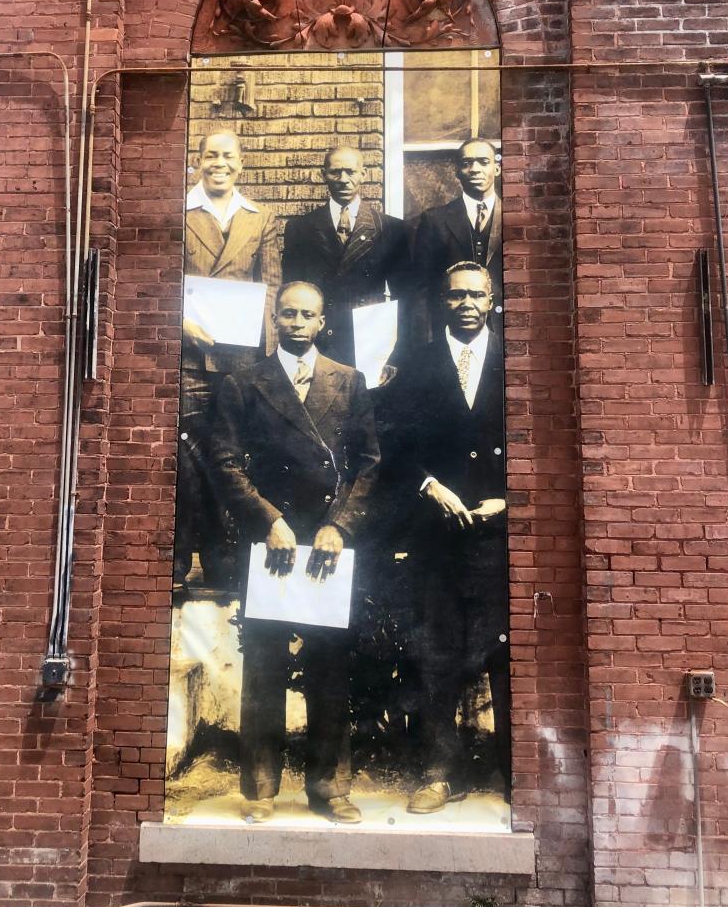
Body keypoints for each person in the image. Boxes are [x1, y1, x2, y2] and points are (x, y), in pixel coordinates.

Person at [210, 281, 380, 824]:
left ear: (323, 322)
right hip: (272, 543)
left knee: (331, 663)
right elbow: (225, 464)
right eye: (288, 314)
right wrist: (270, 519)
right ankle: (260, 789)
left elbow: (368, 466)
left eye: (308, 314)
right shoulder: (244, 383)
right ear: (275, 320)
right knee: (264, 665)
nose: (298, 323)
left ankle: (330, 786)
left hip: (327, 542)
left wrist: (340, 526)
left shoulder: (349, 382)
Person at [388, 261, 509, 813]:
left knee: (502, 652)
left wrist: (511, 498)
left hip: (498, 531)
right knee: (436, 652)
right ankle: (439, 770)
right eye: (455, 294)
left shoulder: (514, 355)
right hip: (437, 532)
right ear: (442, 301)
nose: (465, 303)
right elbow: (394, 444)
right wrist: (431, 486)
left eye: (475, 295)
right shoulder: (416, 363)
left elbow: (541, 437)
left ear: (491, 300)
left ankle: (514, 768)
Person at [175, 130, 280, 592]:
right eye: (210, 155)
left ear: (242, 163)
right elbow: (160, 280)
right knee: (185, 458)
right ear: (197, 161)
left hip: (241, 362)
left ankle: (226, 564)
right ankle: (176, 564)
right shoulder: (178, 213)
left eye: (228, 156)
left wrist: (270, 361)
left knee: (232, 459)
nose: (219, 163)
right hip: (190, 360)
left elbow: (271, 288)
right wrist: (181, 324)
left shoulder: (260, 218)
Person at [281, 145, 411, 369]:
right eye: (335, 172)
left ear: (363, 174)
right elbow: (291, 290)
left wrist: (398, 350)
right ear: (324, 175)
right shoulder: (300, 228)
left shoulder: (390, 228)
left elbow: (405, 297)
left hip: (370, 337)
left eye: (350, 172)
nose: (343, 179)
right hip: (319, 337)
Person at [412, 138, 502, 337]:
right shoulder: (435, 220)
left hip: (506, 333)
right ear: (457, 172)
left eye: (483, 162)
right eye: (466, 163)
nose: (475, 169)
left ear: (497, 168)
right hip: (451, 332)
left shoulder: (514, 217)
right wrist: (426, 341)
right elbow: (422, 289)